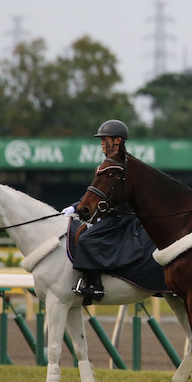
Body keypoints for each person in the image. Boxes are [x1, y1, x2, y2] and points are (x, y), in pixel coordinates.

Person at [67, 119, 133, 304]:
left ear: (118, 141)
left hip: (124, 217)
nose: (102, 144)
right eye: (101, 140)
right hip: (110, 214)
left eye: (106, 139)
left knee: (87, 238)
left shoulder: (124, 164)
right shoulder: (108, 163)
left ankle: (95, 286)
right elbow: (95, 192)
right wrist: (74, 207)